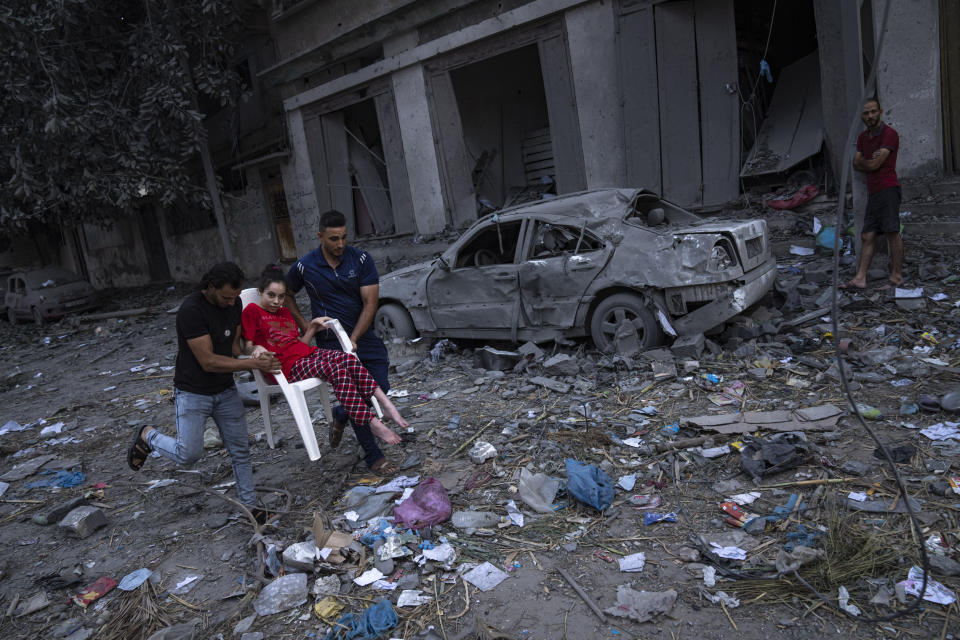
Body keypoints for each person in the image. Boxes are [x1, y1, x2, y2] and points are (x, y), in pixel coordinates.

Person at [126, 262, 281, 524]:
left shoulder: (234, 305)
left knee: (240, 450)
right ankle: (148, 435)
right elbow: (208, 361)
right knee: (188, 454)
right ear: (209, 287)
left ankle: (249, 508)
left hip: (224, 389)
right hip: (193, 391)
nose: (232, 302)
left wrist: (257, 350)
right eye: (225, 297)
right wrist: (253, 364)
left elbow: (233, 349)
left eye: (235, 297)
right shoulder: (191, 311)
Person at [242, 265, 409, 457]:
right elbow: (246, 345)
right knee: (337, 371)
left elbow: (298, 344)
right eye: (271, 295)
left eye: (281, 297)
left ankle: (387, 405)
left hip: (304, 354)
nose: (276, 301)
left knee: (347, 359)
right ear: (260, 292)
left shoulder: (285, 313)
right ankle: (372, 423)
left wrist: (312, 328)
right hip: (285, 367)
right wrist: (256, 348)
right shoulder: (252, 311)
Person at [284, 210, 401, 475]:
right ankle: (374, 456)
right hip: (330, 343)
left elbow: (370, 303)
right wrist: (305, 326)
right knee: (358, 394)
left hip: (362, 337)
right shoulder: (305, 266)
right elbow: (287, 293)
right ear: (320, 236)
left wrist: (355, 339)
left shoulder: (360, 259)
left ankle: (341, 413)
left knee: (380, 385)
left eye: (344, 238)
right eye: (334, 238)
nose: (340, 244)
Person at [843, 97, 903, 290]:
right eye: (866, 113)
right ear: (862, 116)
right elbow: (856, 163)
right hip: (874, 192)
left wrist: (866, 162)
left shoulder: (889, 134)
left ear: (880, 111)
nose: (870, 116)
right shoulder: (862, 138)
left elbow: (874, 164)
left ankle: (897, 277)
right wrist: (869, 161)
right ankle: (860, 278)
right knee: (867, 236)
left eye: (873, 111)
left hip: (888, 189)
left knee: (892, 232)